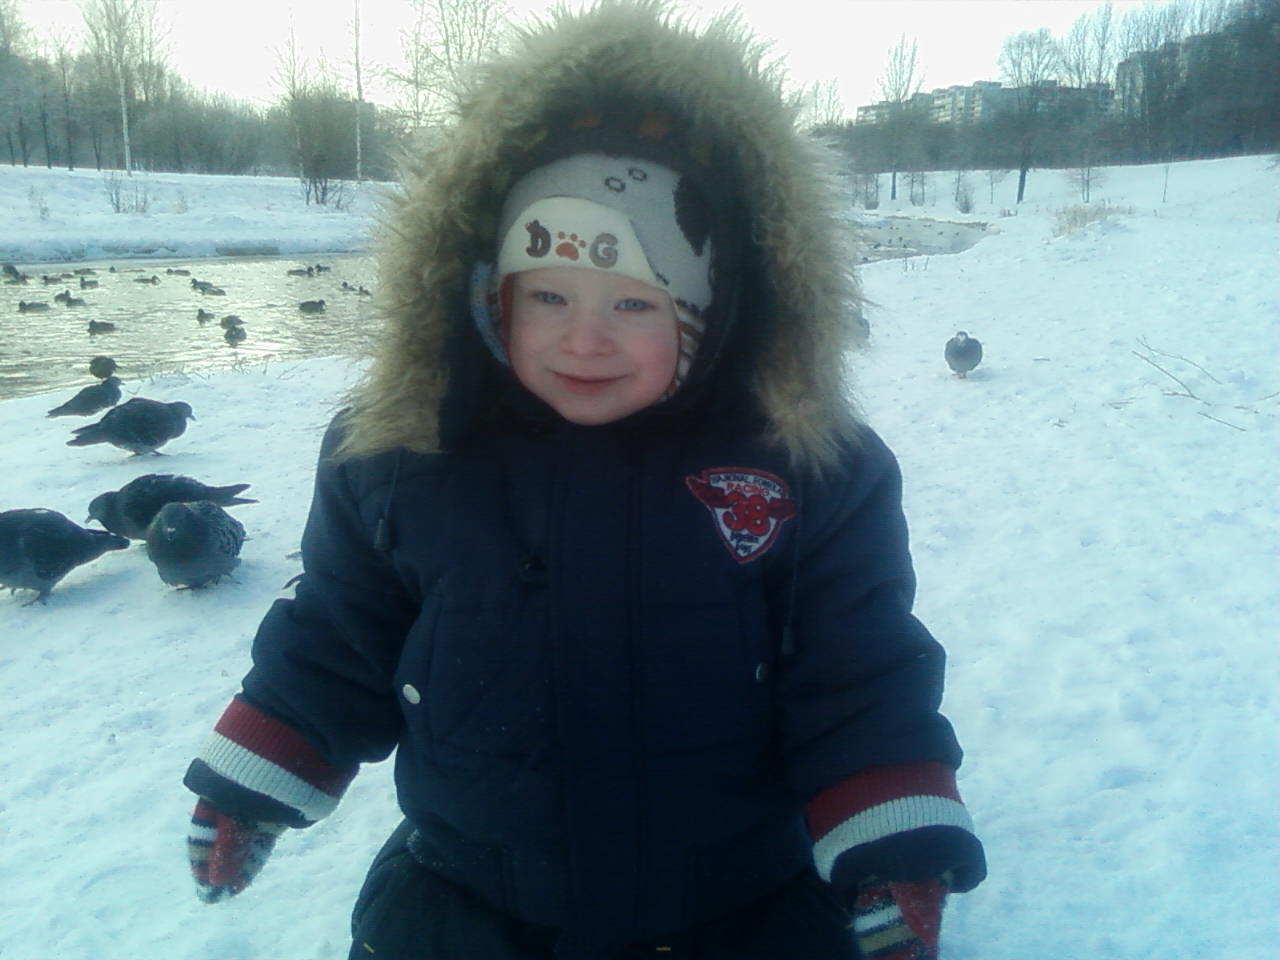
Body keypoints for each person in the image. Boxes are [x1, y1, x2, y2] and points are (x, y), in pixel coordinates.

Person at [182, 3, 986, 958]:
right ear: (488, 297)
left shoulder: (804, 467)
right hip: (472, 896)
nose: (584, 338)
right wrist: (258, 773)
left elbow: (857, 663)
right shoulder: (407, 454)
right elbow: (339, 632)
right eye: (549, 295)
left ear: (712, 313)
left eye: (635, 303)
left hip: (737, 897)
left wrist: (892, 836)